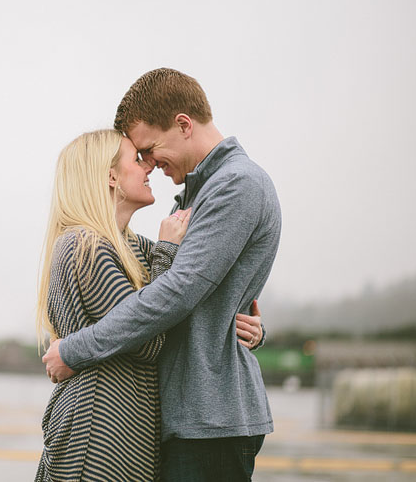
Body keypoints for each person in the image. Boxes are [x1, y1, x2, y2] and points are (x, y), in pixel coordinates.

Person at [43, 68, 281, 482]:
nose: (150, 163)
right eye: (139, 157)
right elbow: (176, 290)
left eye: (149, 149)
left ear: (184, 125)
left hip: (210, 417)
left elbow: (175, 293)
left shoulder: (236, 186)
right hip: (180, 417)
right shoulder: (189, 199)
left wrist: (73, 349)